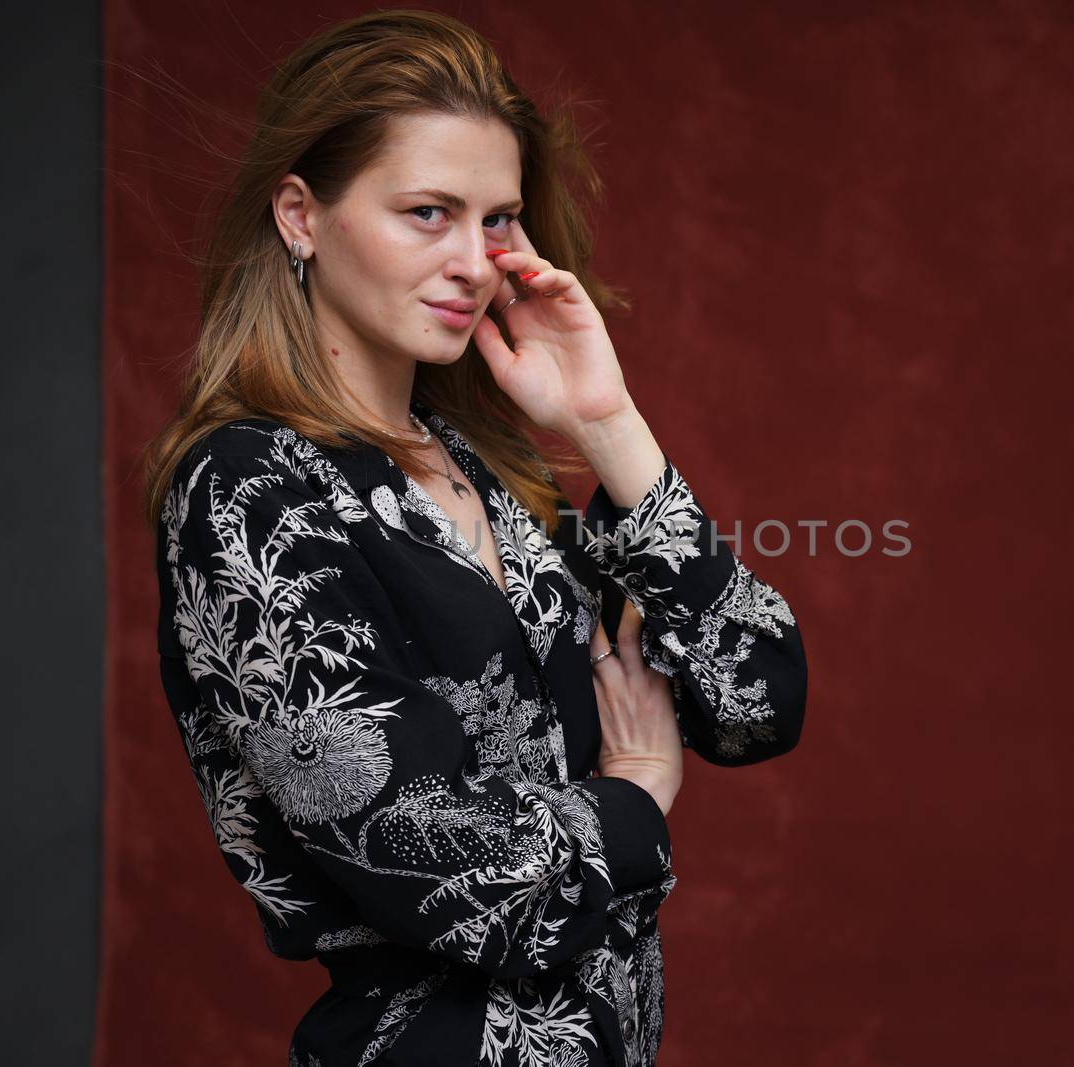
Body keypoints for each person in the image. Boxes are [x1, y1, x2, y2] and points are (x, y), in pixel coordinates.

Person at [140, 10, 807, 1066]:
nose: (473, 261)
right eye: (426, 213)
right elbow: (465, 881)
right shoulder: (249, 489)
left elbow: (755, 699)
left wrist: (605, 419)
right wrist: (634, 794)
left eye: (496, 220)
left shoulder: (494, 477)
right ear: (301, 215)